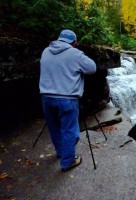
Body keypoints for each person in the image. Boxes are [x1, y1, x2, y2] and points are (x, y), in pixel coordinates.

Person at [39, 29, 96, 172]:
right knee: (70, 130)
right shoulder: (75, 53)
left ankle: (61, 152)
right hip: (67, 98)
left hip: (46, 97)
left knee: (54, 127)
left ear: (58, 39)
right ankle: (68, 161)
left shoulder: (46, 51)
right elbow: (92, 68)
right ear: (74, 43)